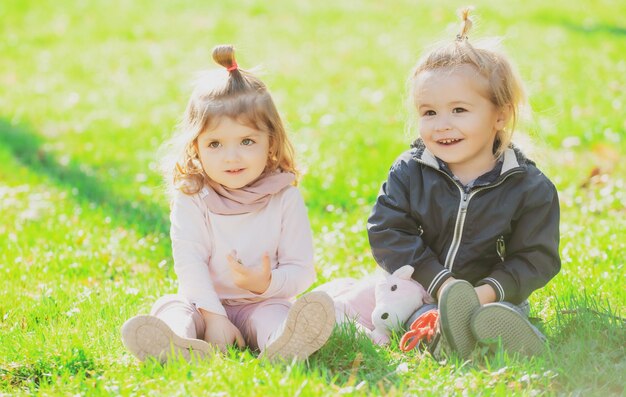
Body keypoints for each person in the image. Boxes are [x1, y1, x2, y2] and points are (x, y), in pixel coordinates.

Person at [121, 45, 335, 363]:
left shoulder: (283, 195)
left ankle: (283, 344)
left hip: (263, 302)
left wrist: (267, 283)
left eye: (247, 141)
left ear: (271, 142)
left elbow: (302, 270)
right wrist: (213, 317)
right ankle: (177, 343)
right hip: (204, 302)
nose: (231, 156)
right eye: (215, 143)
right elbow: (189, 261)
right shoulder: (193, 195)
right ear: (196, 147)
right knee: (172, 306)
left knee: (276, 316)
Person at [367, 8, 560, 359]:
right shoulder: (409, 172)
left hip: (492, 293)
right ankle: (438, 335)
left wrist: (484, 292)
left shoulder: (529, 188)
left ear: (499, 115)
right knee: (416, 313)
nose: (442, 124)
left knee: (493, 316)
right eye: (429, 112)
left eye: (459, 110)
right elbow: (387, 231)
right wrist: (441, 284)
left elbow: (536, 258)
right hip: (423, 289)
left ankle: (505, 333)